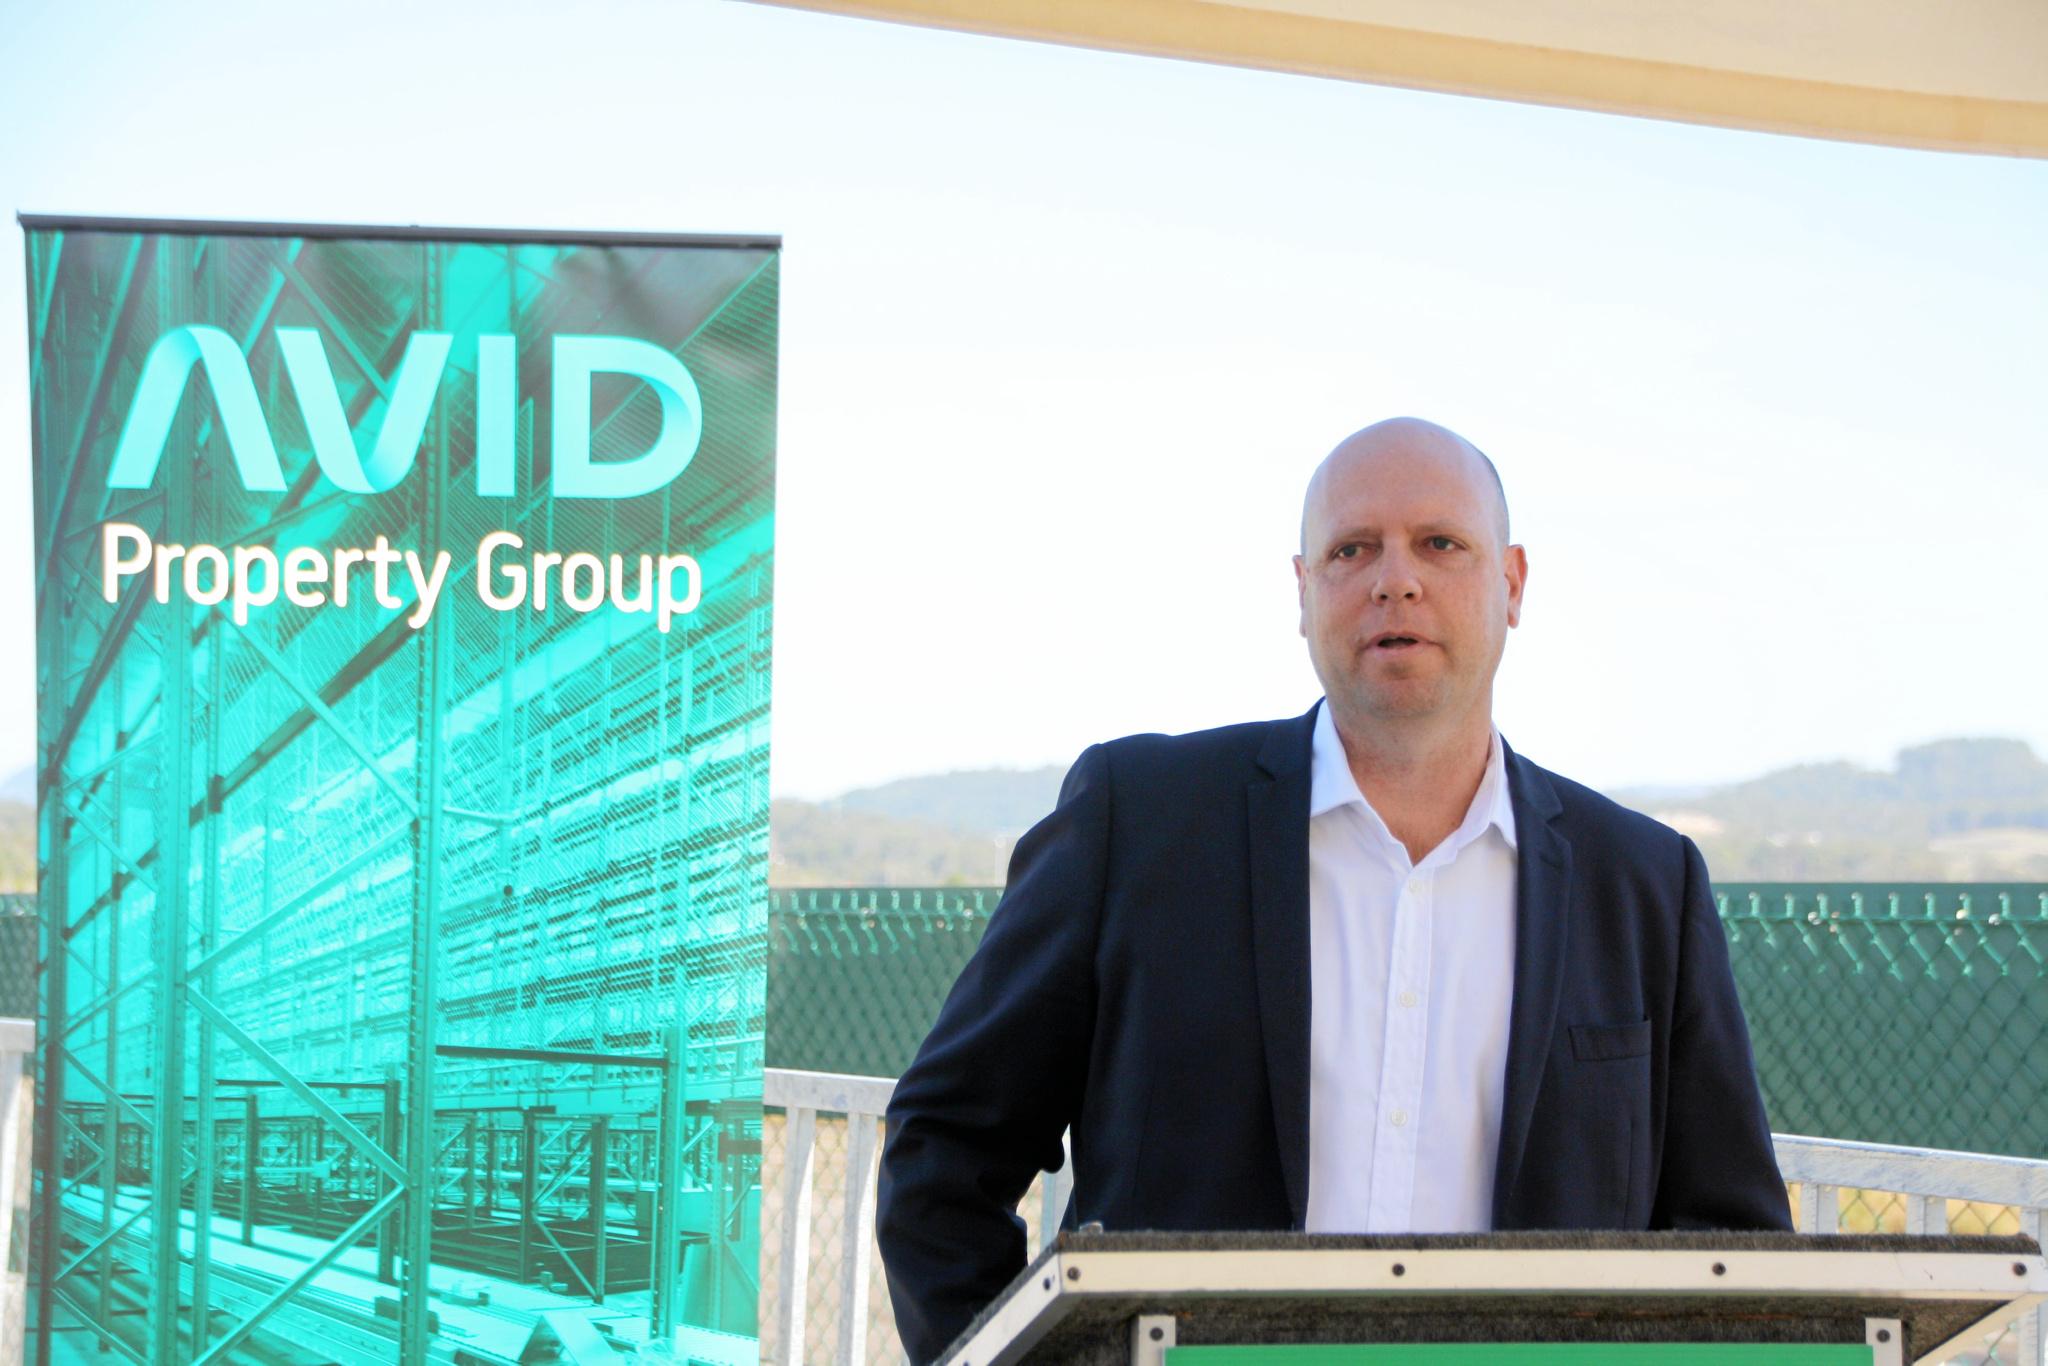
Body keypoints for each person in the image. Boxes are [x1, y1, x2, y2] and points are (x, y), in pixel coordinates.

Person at [875, 417, 1791, 1365]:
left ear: (1511, 585)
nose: (1396, 578)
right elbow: (946, 1146)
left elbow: (1736, 1250)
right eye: (1354, 549)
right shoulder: (1138, 822)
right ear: (1304, 593)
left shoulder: (1644, 883)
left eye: (1441, 543)